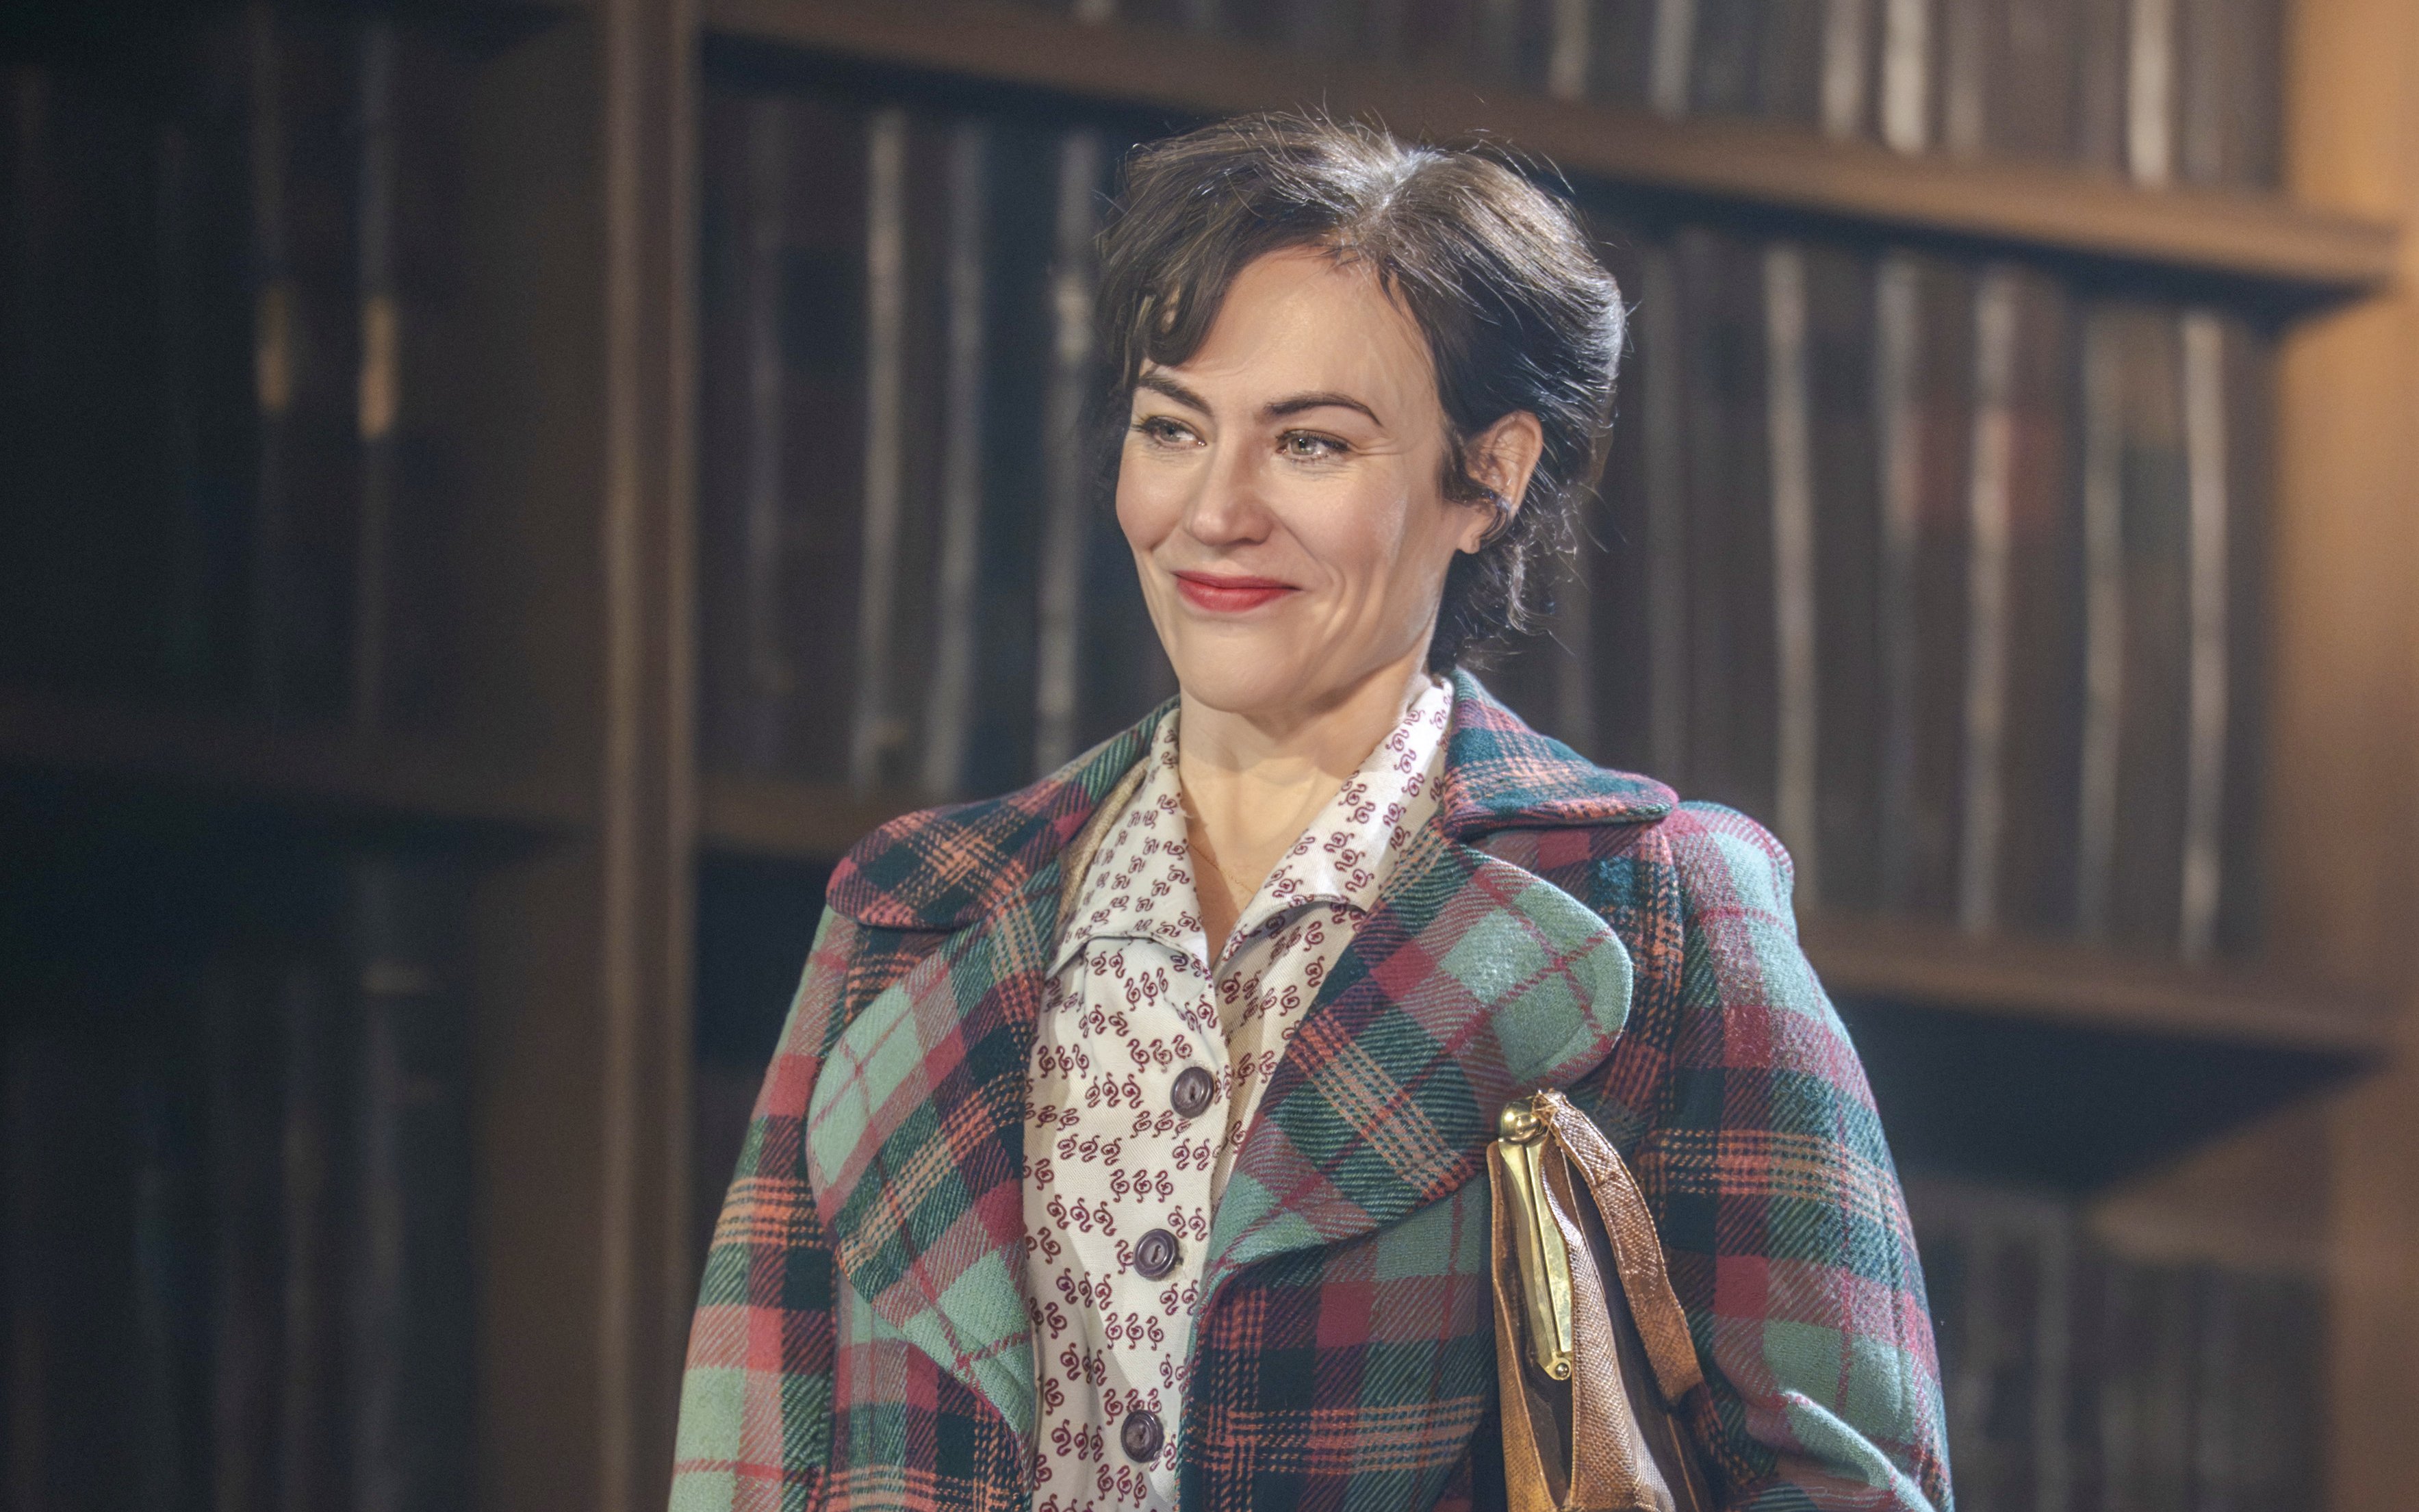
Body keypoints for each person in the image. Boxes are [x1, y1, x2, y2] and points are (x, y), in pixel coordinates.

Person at [669, 113, 1951, 1512]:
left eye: (1313, 445)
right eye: (1172, 427)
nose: (1214, 510)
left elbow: (1852, 1487)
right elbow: (746, 1466)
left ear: (1490, 476)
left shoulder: (1664, 911)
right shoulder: (907, 912)